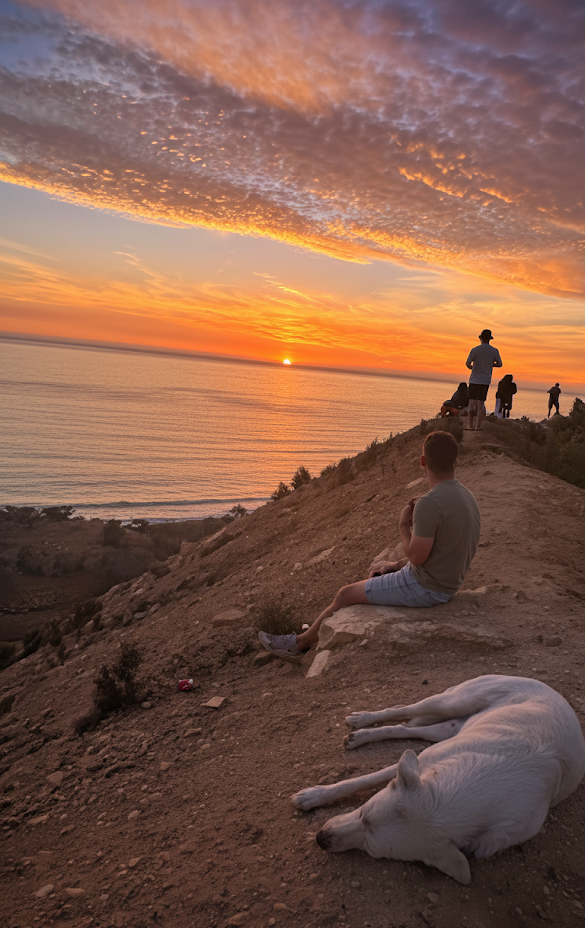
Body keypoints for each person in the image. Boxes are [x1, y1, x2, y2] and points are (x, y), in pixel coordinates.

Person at [258, 430, 481, 660]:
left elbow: (417, 558)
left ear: (423, 461)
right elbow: (443, 549)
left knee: (345, 594)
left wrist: (403, 526)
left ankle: (298, 644)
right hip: (448, 584)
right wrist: (396, 564)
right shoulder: (467, 496)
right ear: (455, 460)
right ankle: (316, 632)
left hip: (426, 589)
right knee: (379, 570)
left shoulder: (429, 503)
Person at [465, 329, 502, 430]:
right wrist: (490, 364)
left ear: (480, 338)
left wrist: (473, 368)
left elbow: (468, 363)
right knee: (481, 403)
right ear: (490, 339)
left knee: (471, 403)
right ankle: (478, 426)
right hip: (485, 380)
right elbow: (499, 364)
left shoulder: (475, 350)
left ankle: (470, 425)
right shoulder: (494, 351)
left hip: (474, 379)